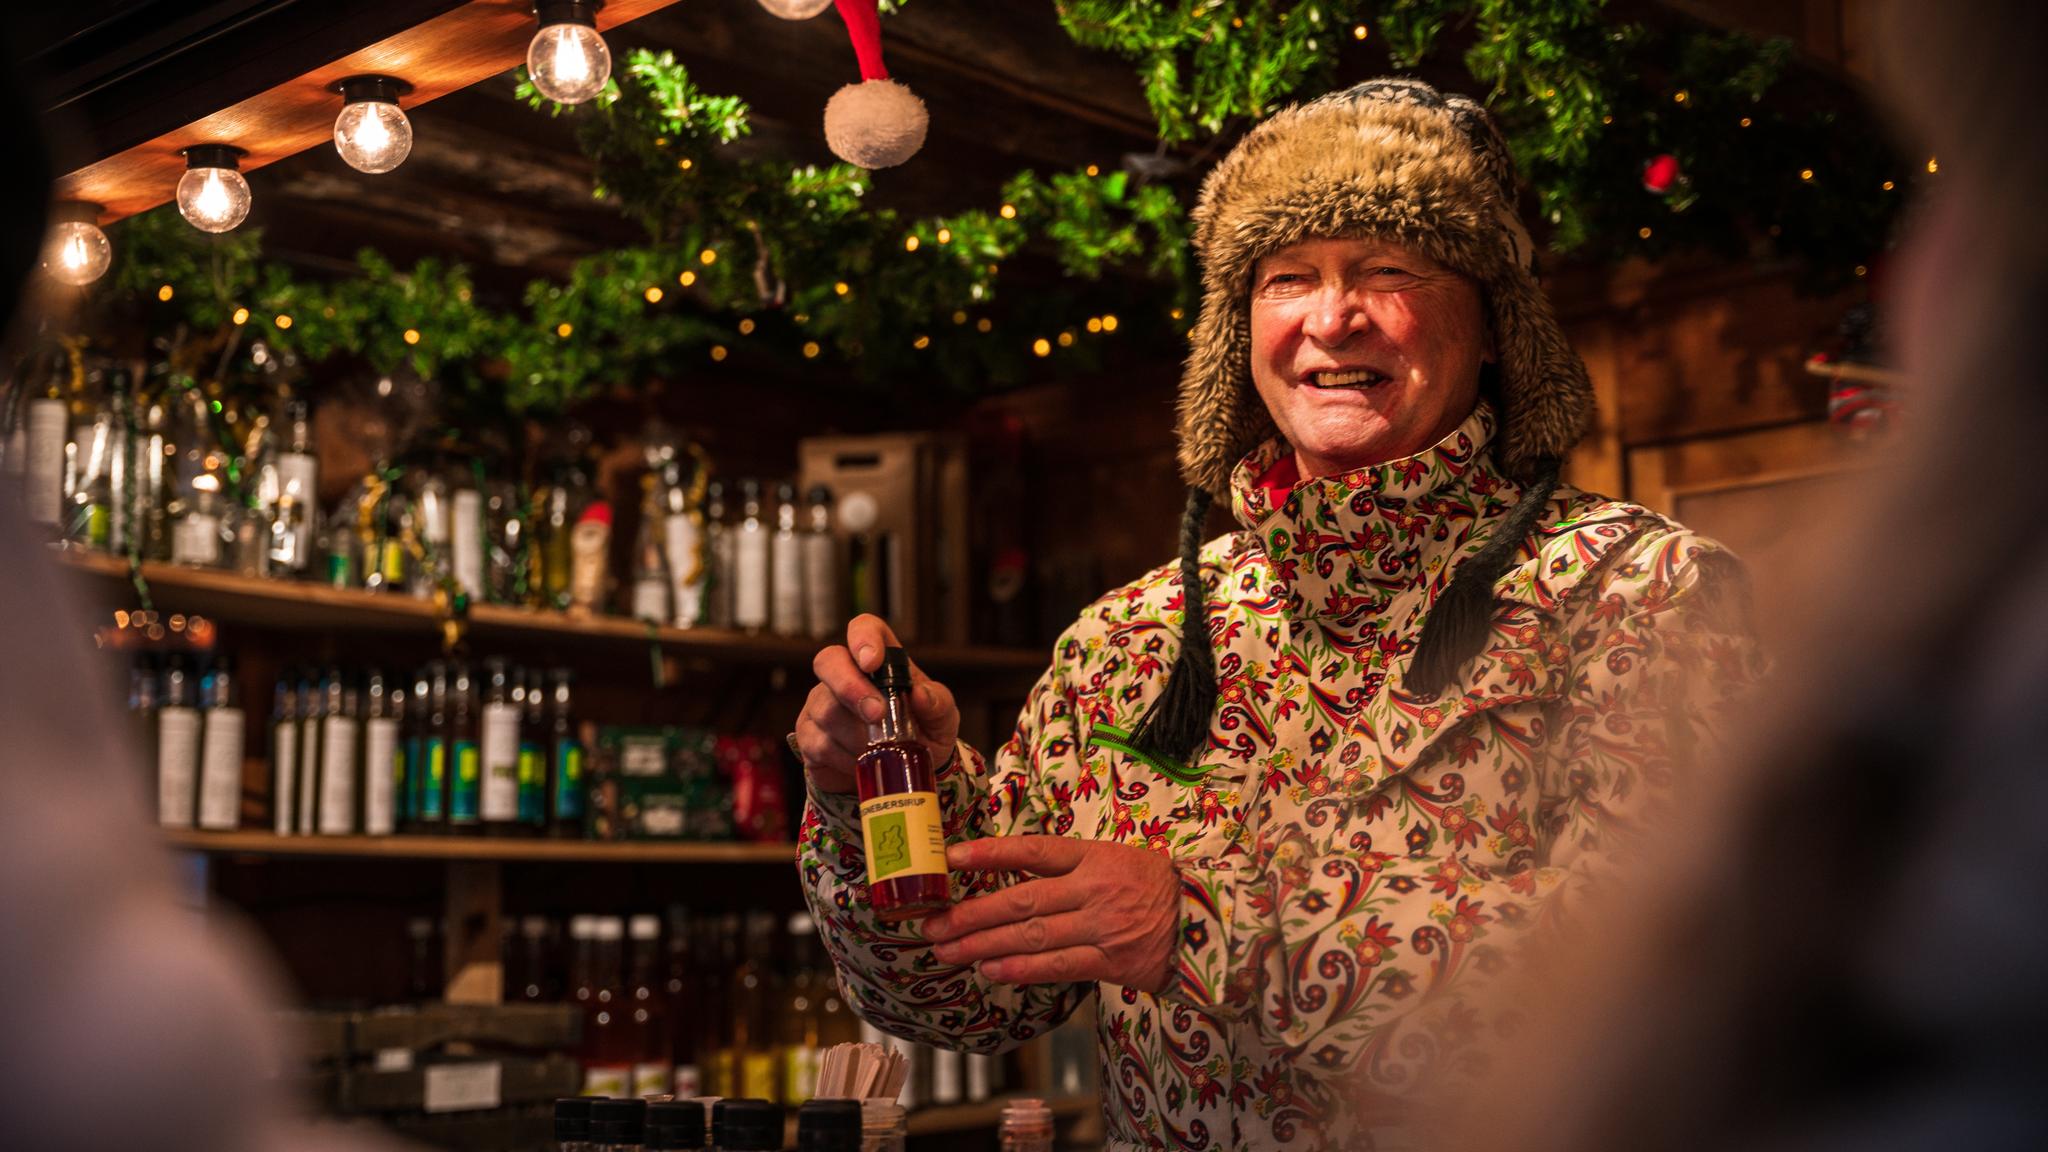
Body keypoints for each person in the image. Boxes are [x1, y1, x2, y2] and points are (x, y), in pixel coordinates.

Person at [793, 79, 1760, 1149]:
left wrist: (1208, 928)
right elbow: (965, 1001)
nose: (1330, 316)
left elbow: (1688, 984)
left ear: (1490, 327)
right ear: (1236, 335)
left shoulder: (1635, 592)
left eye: (1388, 269)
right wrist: (885, 796)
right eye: (1287, 276)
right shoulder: (1131, 638)